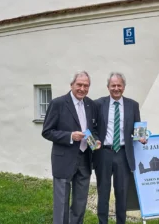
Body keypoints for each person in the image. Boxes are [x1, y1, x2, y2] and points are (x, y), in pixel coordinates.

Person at [42, 71, 101, 224]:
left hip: (85, 159)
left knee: (80, 203)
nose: (82, 88)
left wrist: (95, 141)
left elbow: (92, 129)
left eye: (86, 86)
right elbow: (47, 132)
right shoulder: (58, 103)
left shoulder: (91, 104)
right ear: (72, 85)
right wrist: (69, 136)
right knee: (61, 203)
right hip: (64, 158)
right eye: (79, 85)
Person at [93, 72, 147, 224]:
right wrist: (96, 140)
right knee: (103, 192)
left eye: (119, 85)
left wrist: (141, 137)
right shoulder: (98, 104)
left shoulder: (133, 105)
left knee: (121, 193)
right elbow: (93, 127)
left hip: (123, 154)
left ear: (124, 87)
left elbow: (137, 127)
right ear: (108, 87)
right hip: (104, 153)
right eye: (113, 85)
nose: (116, 88)